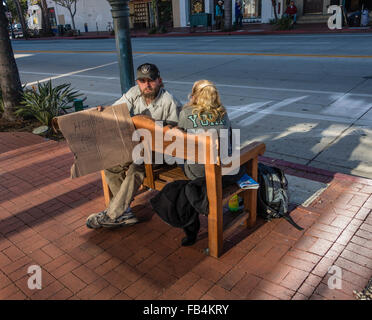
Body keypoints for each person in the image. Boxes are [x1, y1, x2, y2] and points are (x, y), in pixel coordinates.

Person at [86, 63, 182, 229]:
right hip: (138, 146)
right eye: (142, 81)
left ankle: (113, 213)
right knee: (110, 163)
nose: (146, 85)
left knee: (136, 167)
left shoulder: (170, 102)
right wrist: (105, 110)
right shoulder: (134, 93)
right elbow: (116, 109)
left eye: (150, 80)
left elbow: (174, 139)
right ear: (138, 82)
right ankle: (124, 212)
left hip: (162, 152)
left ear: (159, 81)